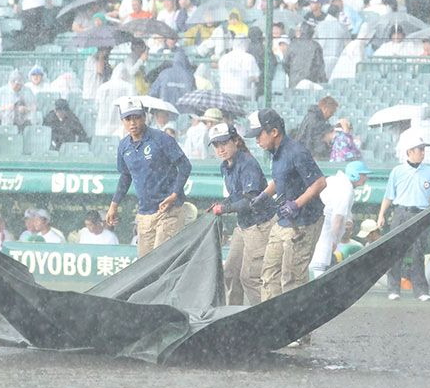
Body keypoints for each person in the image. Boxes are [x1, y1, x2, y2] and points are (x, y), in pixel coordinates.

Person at [245, 109, 327, 311]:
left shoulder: (296, 152)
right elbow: (281, 178)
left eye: (258, 135)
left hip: (303, 223)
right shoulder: (276, 153)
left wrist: (297, 204)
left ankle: (297, 331)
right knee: (269, 274)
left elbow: (319, 182)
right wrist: (264, 195)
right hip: (282, 221)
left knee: (293, 279)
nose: (256, 140)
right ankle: (271, 322)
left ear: (273, 131)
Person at [106, 100, 192, 257]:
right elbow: (125, 176)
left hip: (169, 210)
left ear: (144, 117)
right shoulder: (124, 146)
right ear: (122, 121)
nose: (133, 123)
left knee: (161, 260)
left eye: (137, 117)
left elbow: (185, 166)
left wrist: (174, 195)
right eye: (128, 119)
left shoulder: (161, 139)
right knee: (145, 265)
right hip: (145, 213)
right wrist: (113, 205)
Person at [207, 123, 277, 307]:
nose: (220, 148)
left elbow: (251, 201)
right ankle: (233, 317)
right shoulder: (225, 166)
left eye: (224, 142)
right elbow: (237, 196)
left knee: (251, 278)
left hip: (260, 224)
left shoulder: (247, 163)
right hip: (244, 225)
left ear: (235, 141)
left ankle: (267, 318)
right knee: (230, 272)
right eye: (215, 145)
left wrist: (224, 209)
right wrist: (223, 204)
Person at [378, 134, 430, 302]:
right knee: (395, 252)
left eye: (423, 150)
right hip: (400, 213)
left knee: (418, 253)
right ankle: (394, 289)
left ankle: (421, 290)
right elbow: (389, 196)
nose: (423, 153)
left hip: (421, 215)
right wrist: (381, 215)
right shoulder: (397, 171)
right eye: (420, 150)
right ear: (409, 152)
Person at [309, 160, 371, 275]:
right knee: (320, 261)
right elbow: (338, 218)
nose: (365, 178)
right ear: (354, 174)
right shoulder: (345, 188)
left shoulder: (336, 180)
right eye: (363, 175)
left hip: (318, 222)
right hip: (325, 225)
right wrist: (335, 240)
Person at [282, 22, 327, 87]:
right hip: (310, 80)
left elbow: (285, 62)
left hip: (294, 79)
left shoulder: (293, 45)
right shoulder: (315, 46)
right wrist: (322, 80)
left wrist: (291, 72)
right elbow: (319, 66)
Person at [294, 96, 338, 160]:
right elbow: (310, 140)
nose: (331, 115)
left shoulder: (313, 117)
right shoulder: (314, 119)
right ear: (325, 108)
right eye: (331, 112)